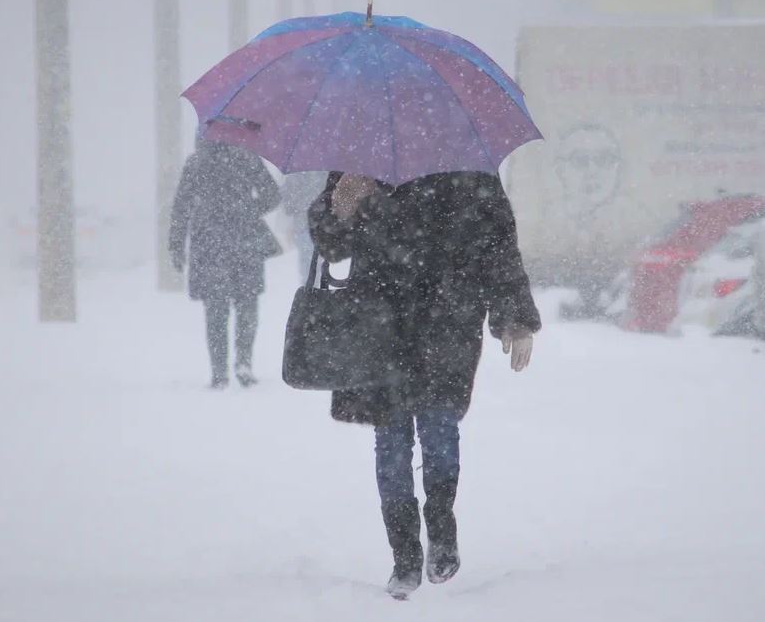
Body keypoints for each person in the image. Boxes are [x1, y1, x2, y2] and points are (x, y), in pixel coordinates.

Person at [308, 170, 541, 598]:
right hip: (378, 322)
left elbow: (497, 244)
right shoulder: (361, 158)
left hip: (447, 319)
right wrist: (340, 206)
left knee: (439, 428)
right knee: (391, 439)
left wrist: (515, 317)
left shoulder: (467, 162)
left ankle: (442, 530)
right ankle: (405, 556)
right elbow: (331, 245)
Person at [169, 137, 281, 389]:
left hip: (209, 244)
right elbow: (272, 195)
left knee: (215, 309)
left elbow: (181, 208)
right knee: (247, 304)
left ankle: (219, 372)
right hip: (245, 241)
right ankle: (244, 362)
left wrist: (176, 247)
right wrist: (248, 208)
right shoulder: (247, 156)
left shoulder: (196, 162)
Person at [280, 170, 329, 282]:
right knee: (316, 263)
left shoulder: (294, 175)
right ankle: (316, 290)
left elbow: (288, 207)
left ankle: (311, 291)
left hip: (304, 225)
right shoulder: (324, 172)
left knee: (308, 265)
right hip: (320, 225)